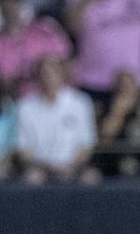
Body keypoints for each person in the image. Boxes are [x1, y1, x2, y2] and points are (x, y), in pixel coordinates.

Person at [14, 54, 98, 183]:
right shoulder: (25, 106)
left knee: (91, 178)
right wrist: (48, 167)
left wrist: (71, 166)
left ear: (62, 74)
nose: (49, 77)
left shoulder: (81, 102)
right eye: (44, 73)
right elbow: (23, 150)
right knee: (32, 178)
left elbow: (86, 145)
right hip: (39, 168)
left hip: (74, 167)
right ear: (37, 77)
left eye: (53, 72)